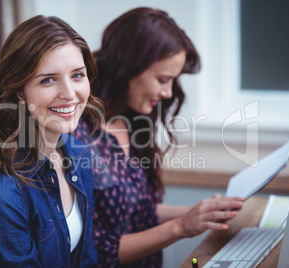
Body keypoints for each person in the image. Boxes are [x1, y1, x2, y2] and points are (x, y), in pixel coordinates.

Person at [74, 7, 244, 267]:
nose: (168, 92)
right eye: (163, 79)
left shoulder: (131, 120)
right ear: (128, 68)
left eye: (172, 81)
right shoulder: (77, 135)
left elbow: (139, 210)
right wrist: (181, 227)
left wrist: (202, 212)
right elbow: (97, 250)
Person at [0, 15, 103, 267]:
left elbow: (86, 260)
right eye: (48, 79)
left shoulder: (77, 154)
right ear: (19, 93)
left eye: (77, 75)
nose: (69, 94)